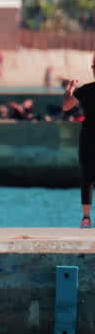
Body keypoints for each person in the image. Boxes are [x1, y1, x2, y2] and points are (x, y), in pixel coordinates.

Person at [62, 53, 95, 228]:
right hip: (89, 136)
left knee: (88, 176)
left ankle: (86, 218)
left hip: (89, 137)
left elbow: (66, 106)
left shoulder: (86, 90)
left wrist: (70, 89)